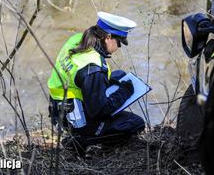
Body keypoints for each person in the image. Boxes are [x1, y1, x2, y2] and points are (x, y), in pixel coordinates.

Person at [47, 11, 145, 157]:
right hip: (76, 120)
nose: (119, 47)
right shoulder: (93, 68)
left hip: (58, 109)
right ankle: (81, 140)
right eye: (119, 42)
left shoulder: (78, 40)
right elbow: (100, 111)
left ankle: (80, 135)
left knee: (119, 75)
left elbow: (80, 74)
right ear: (108, 37)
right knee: (135, 123)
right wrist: (124, 92)